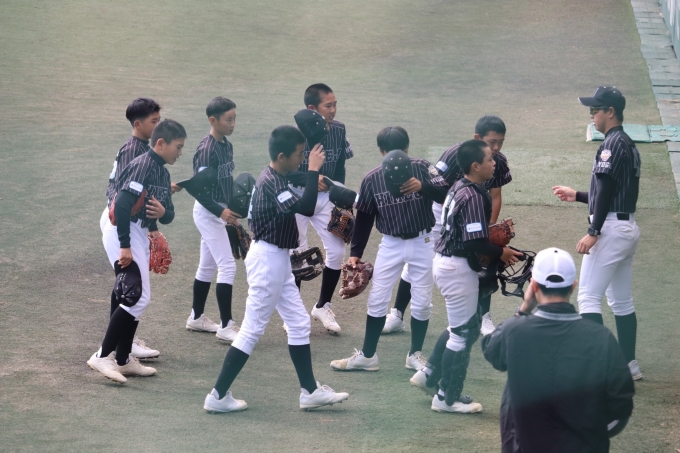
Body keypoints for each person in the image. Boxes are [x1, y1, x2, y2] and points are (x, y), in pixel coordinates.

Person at [203, 126, 349, 413]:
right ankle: (217, 396)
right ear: (282, 156)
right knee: (251, 331)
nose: (302, 159)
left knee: (299, 323)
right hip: (267, 261)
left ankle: (309, 392)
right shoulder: (271, 182)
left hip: (278, 259)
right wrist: (313, 170)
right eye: (299, 155)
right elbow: (307, 207)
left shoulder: (278, 177)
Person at [481, 247, 634, 453]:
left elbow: (492, 352)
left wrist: (524, 310)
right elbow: (621, 405)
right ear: (573, 286)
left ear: (533, 286)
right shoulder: (601, 337)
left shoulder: (515, 331)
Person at [409, 140, 521, 413]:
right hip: (456, 268)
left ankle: (429, 375)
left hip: (449, 263)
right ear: (475, 166)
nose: (494, 162)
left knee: (464, 326)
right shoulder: (473, 196)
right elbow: (474, 242)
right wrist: (502, 252)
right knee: (461, 334)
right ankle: (446, 398)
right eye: (489, 159)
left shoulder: (460, 186)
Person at [330, 126, 448, 373]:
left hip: (423, 241)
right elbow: (364, 217)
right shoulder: (372, 179)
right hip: (391, 244)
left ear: (406, 149)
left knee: (422, 303)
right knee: (377, 299)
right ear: (381, 152)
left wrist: (423, 187)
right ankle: (367, 356)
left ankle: (414, 355)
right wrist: (355, 253)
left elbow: (446, 193)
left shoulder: (422, 168)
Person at [384, 115, 512, 336]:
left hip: (475, 213)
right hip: (443, 211)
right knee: (420, 262)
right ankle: (397, 314)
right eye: (492, 142)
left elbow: (495, 195)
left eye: (501, 142)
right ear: (477, 137)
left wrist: (489, 228)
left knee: (482, 260)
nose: (497, 148)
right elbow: (439, 191)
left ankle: (484, 317)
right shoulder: (454, 154)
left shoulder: (496, 161)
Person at [552, 86, 642, 380]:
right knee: (622, 301)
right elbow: (612, 191)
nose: (591, 115)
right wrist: (577, 195)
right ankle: (628, 365)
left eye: (595, 110)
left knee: (589, 297)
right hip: (626, 228)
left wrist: (594, 230)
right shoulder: (627, 143)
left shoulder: (610, 145)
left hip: (610, 230)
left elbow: (604, 190)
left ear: (610, 112)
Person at [88, 119, 186, 383]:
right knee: (137, 297)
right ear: (161, 143)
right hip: (123, 231)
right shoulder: (142, 165)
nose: (180, 152)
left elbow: (169, 214)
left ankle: (123, 359)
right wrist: (125, 246)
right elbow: (121, 204)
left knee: (134, 295)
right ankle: (103, 355)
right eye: (178, 147)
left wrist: (162, 213)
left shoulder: (162, 173)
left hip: (139, 233)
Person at [99, 98, 170, 360]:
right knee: (133, 290)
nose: (158, 126)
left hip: (127, 221)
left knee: (126, 285)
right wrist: (146, 230)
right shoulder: (135, 152)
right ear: (138, 124)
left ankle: (123, 348)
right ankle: (111, 352)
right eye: (154, 121)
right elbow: (125, 199)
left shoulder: (143, 150)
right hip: (121, 222)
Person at [285, 83, 354, 334]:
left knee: (337, 251)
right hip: (296, 196)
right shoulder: (293, 135)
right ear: (312, 108)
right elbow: (284, 172)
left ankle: (323, 306)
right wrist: (312, 178)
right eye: (328, 106)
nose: (333, 110)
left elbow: (340, 166)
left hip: (326, 197)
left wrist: (340, 194)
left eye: (335, 104)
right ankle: (293, 314)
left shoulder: (338, 129)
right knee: (297, 254)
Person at [185, 97, 242, 343]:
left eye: (234, 118)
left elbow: (226, 182)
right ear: (213, 120)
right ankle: (226, 326)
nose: (233, 124)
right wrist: (220, 212)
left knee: (207, 266)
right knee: (227, 266)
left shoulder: (226, 145)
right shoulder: (206, 151)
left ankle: (196, 317)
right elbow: (198, 190)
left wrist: (231, 211)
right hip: (208, 213)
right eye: (228, 119)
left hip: (219, 211)